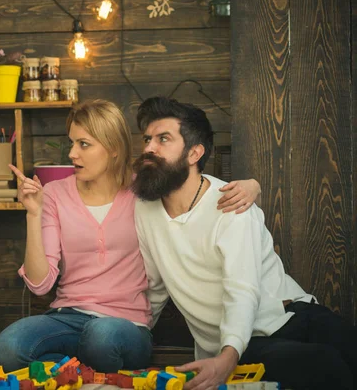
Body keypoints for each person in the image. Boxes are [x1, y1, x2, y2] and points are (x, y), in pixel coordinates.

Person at [0, 99, 262, 373]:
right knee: (8, 346)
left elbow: (191, 186)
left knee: (102, 336)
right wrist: (33, 214)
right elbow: (39, 285)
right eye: (71, 143)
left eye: (83, 144)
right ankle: (74, 372)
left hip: (125, 324)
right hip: (68, 317)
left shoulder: (145, 191)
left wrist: (252, 186)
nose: (72, 154)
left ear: (112, 149)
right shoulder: (54, 194)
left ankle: (75, 369)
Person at [132, 96, 357, 390]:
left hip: (292, 316)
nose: (149, 147)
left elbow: (242, 289)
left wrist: (227, 356)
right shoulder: (144, 209)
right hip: (245, 343)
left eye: (163, 139)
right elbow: (155, 287)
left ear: (194, 153)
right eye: (148, 138)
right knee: (325, 366)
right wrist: (134, 335)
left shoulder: (232, 204)